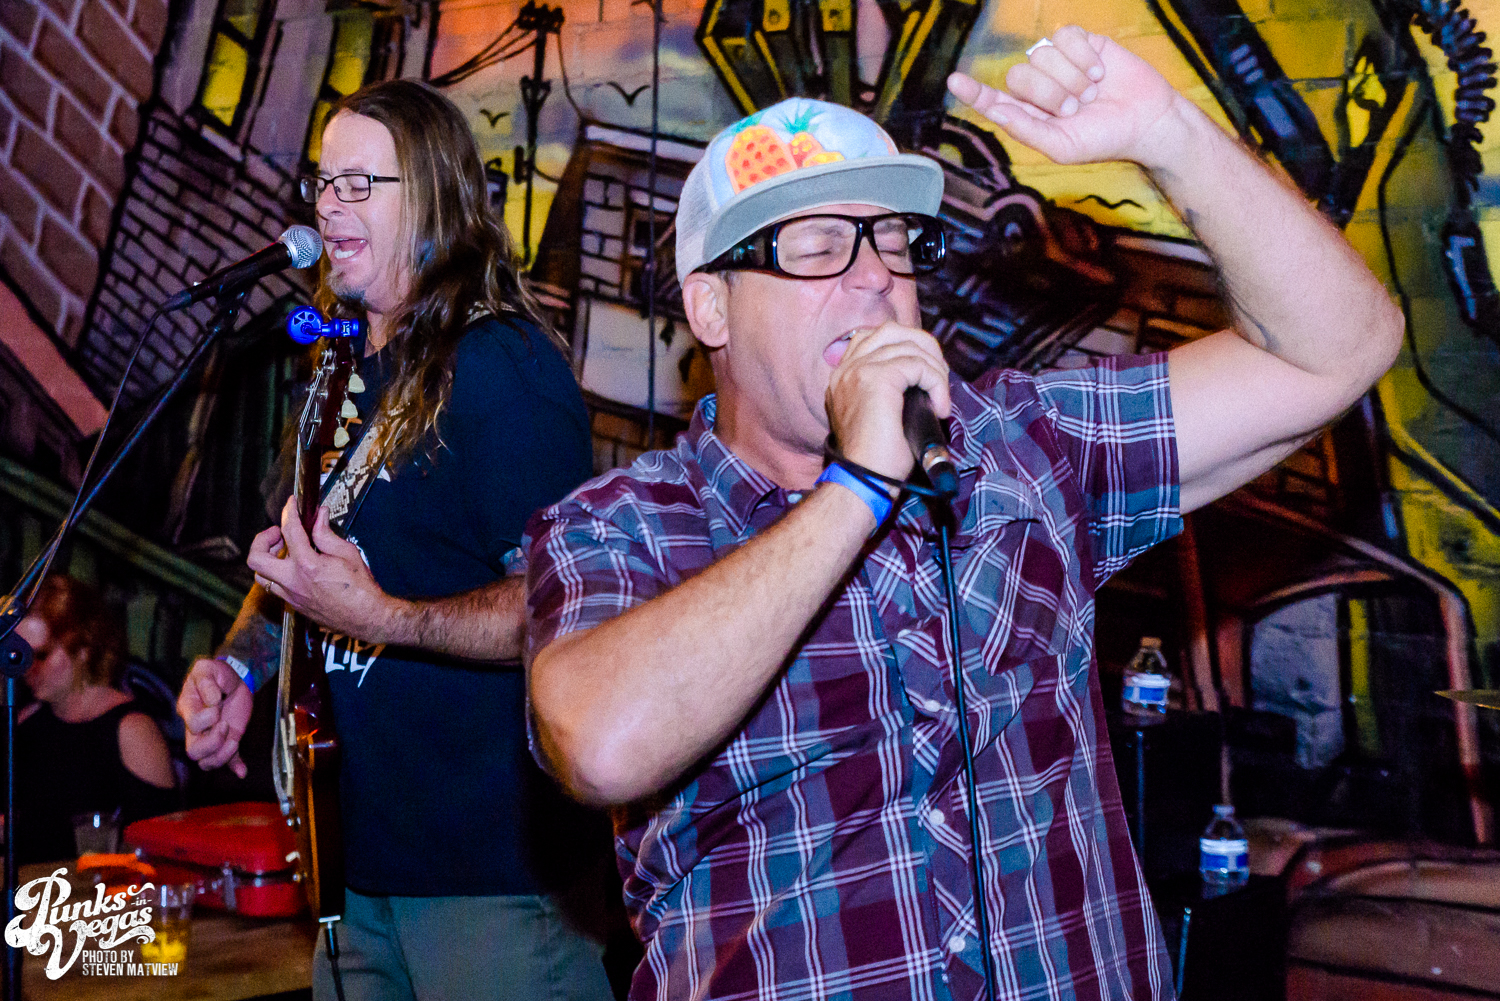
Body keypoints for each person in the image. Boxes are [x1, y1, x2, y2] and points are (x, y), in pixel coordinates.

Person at [521, 26, 1403, 1001]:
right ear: (711, 309)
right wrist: (857, 488)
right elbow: (602, 744)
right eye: (818, 246)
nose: (874, 276)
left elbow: (1341, 349)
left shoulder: (1024, 445)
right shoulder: (627, 524)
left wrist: (1170, 135)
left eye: (893, 243)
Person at [174, 80, 612, 1001]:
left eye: (359, 183)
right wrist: (241, 669)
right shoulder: (340, 370)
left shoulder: (503, 368)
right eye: (323, 183)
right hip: (351, 871)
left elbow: (565, 605)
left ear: (435, 198)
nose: (330, 205)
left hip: (491, 879)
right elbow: (302, 559)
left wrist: (386, 618)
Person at [10, 575, 176, 864]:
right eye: (21, 655)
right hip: (36, 889)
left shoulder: (132, 730)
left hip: (106, 891)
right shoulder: (28, 723)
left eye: (42, 655)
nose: (28, 668)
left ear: (84, 649)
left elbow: (164, 844)